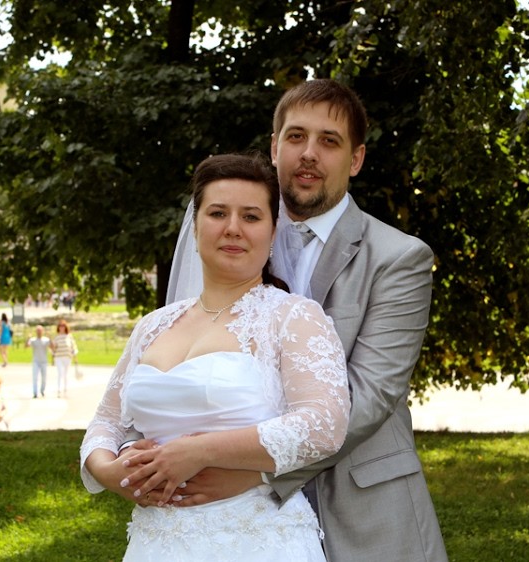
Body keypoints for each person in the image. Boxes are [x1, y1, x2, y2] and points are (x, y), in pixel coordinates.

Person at [164, 79, 447, 561]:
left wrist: (255, 471)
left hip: (363, 509)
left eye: (329, 141)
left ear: (356, 159)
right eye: (296, 137)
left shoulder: (398, 258)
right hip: (234, 517)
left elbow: (370, 395)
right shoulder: (233, 242)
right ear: (275, 147)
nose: (309, 153)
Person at [80, 154, 350, 560]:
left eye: (251, 216)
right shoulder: (153, 326)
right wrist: (108, 471)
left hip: (258, 540)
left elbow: (324, 424)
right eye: (218, 213)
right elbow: (105, 422)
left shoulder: (292, 317)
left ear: (273, 231)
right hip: (156, 542)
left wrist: (200, 451)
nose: (233, 228)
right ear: (195, 227)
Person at [51, 320, 78, 398]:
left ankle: (65, 390)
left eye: (63, 326)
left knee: (66, 374)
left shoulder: (69, 336)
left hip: (67, 357)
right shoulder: (56, 337)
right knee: (60, 373)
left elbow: (73, 347)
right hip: (58, 357)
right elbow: (53, 349)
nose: (61, 328)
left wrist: (75, 357)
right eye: (60, 326)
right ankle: (59, 390)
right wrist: (52, 356)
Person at [27, 325, 52, 398]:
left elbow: (52, 347)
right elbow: (27, 346)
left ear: (42, 331)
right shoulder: (33, 340)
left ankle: (42, 390)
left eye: (40, 331)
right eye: (38, 331)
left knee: (44, 378)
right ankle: (35, 392)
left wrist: (50, 339)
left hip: (44, 361)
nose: (39, 332)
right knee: (35, 377)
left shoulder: (46, 340)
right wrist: (28, 338)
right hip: (36, 361)